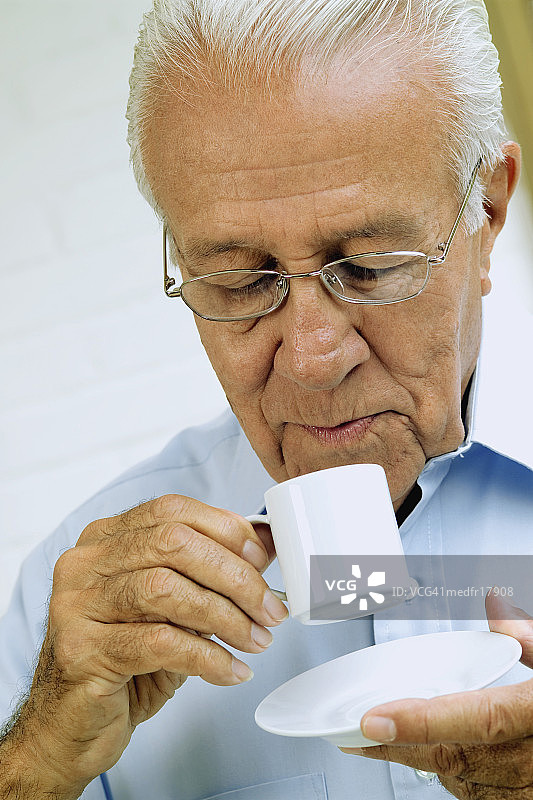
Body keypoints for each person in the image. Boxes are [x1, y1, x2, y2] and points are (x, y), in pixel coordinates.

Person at [1, 0, 532, 798]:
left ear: (485, 212)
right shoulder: (84, 599)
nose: (313, 360)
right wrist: (35, 762)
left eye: (369, 266)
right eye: (241, 280)